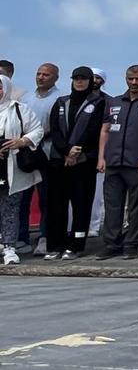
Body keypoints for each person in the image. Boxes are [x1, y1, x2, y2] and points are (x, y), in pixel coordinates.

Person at [95, 65, 138, 259]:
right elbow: (105, 130)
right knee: (113, 206)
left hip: (137, 163)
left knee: (137, 207)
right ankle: (111, 244)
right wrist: (101, 157)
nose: (134, 83)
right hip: (113, 161)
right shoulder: (114, 102)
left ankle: (131, 244)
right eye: (130, 79)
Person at [44, 67, 106, 259]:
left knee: (81, 205)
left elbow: (94, 130)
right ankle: (55, 246)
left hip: (84, 162)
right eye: (76, 78)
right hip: (59, 161)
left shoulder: (99, 103)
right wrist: (66, 150)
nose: (79, 81)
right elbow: (54, 129)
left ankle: (76, 245)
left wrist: (76, 150)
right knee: (56, 205)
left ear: (90, 81)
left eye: (83, 78)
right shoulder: (61, 102)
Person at [0, 73, 43, 266]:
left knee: (10, 208)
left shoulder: (19, 108)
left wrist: (22, 141)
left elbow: (37, 130)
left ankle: (9, 247)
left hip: (11, 167)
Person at [18, 62, 61, 254]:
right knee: (22, 198)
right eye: (39, 74)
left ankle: (45, 237)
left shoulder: (60, 98)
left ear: (55, 78)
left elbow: (57, 126)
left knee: (46, 198)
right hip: (26, 155)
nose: (41, 77)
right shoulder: (25, 98)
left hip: (47, 154)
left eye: (46, 74)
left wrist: (37, 134)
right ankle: (21, 237)